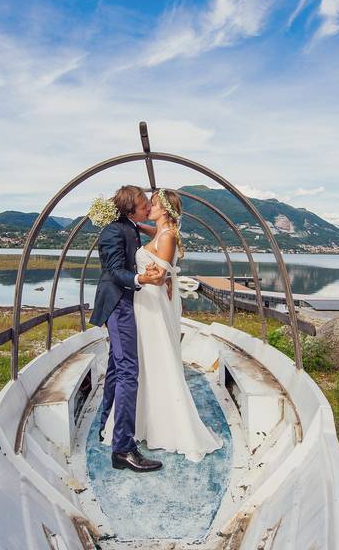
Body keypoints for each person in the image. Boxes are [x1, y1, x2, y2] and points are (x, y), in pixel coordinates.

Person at [100, 188, 223, 462]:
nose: (149, 207)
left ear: (164, 209)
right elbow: (145, 234)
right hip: (142, 305)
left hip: (151, 306)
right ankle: (135, 424)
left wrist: (158, 277)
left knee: (153, 363)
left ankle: (159, 426)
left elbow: (160, 274)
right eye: (146, 204)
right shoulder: (156, 232)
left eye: (152, 203)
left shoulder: (166, 236)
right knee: (139, 364)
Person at [90, 185, 167, 472]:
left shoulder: (131, 226)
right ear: (130, 207)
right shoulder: (113, 231)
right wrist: (143, 280)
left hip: (126, 303)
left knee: (115, 368)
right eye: (144, 202)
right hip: (119, 305)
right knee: (128, 373)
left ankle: (106, 426)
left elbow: (152, 233)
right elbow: (114, 272)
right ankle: (122, 449)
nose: (148, 205)